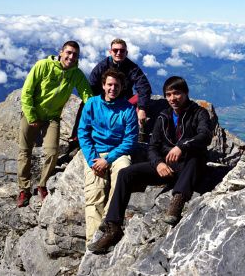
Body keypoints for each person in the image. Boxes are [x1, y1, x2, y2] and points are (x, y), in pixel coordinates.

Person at [89, 75, 212, 254]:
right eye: (168, 95)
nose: (172, 99)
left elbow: (205, 135)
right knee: (125, 174)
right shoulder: (164, 116)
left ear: (186, 93)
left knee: (195, 158)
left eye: (176, 93)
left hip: (190, 165)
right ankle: (113, 226)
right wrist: (159, 164)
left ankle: (178, 200)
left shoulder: (199, 113)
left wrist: (182, 146)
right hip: (166, 167)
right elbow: (152, 147)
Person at [17, 40, 91, 207]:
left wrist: (98, 109)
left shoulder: (76, 74)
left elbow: (87, 94)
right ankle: (24, 189)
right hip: (32, 114)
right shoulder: (43, 65)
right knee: (24, 151)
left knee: (52, 152)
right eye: (68, 53)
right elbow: (26, 91)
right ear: (61, 52)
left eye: (75, 55)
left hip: (52, 118)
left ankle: (42, 184)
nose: (71, 57)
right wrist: (31, 116)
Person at [78, 67, 138, 243]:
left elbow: (130, 141)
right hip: (96, 152)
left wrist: (108, 159)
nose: (113, 88)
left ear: (121, 87)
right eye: (109, 85)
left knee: (122, 173)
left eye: (117, 85)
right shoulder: (92, 104)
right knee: (94, 193)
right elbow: (83, 132)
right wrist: (92, 160)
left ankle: (108, 224)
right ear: (103, 86)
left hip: (118, 152)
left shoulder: (127, 109)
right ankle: (93, 239)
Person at [89, 38, 152, 134]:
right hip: (105, 101)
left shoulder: (132, 67)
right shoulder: (102, 67)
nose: (118, 53)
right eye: (115, 50)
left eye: (122, 51)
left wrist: (142, 109)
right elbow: (92, 85)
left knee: (141, 98)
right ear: (110, 52)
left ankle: (139, 133)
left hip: (125, 101)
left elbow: (144, 86)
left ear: (126, 53)